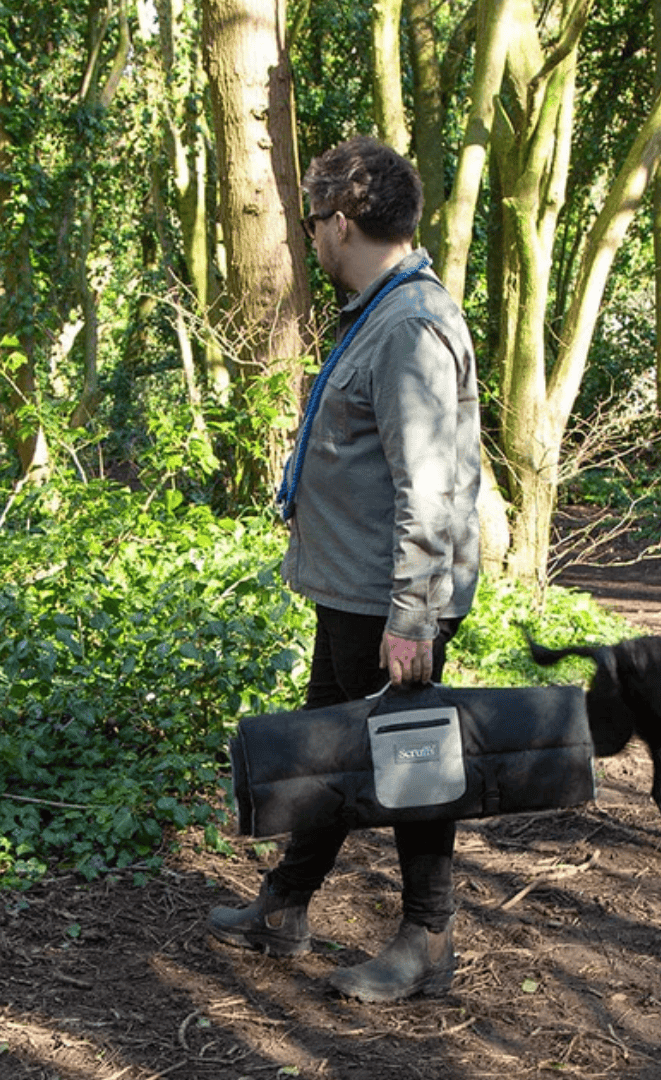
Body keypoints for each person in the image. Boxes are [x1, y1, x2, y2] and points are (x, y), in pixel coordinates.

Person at [207, 136, 481, 1003]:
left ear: (342, 221)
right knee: (331, 751)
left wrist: (412, 614)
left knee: (412, 769)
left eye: (316, 222)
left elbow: (431, 484)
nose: (312, 239)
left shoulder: (409, 326)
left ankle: (428, 941)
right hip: (354, 590)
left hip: (387, 599)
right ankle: (285, 906)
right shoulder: (382, 311)